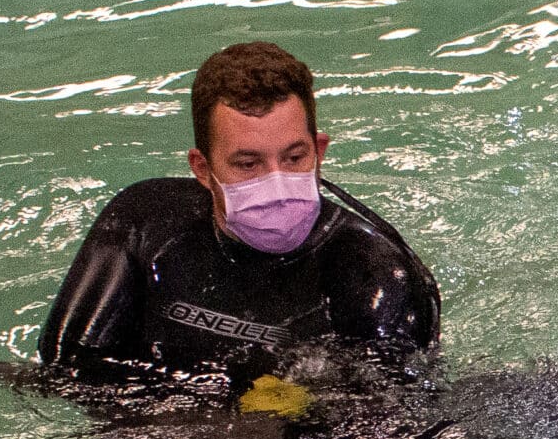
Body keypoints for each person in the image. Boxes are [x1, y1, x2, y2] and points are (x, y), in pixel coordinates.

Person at [35, 41, 439, 392]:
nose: (277, 183)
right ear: (202, 168)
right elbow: (63, 369)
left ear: (320, 150)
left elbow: (382, 429)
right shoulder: (145, 221)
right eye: (248, 164)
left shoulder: (375, 272)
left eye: (295, 158)